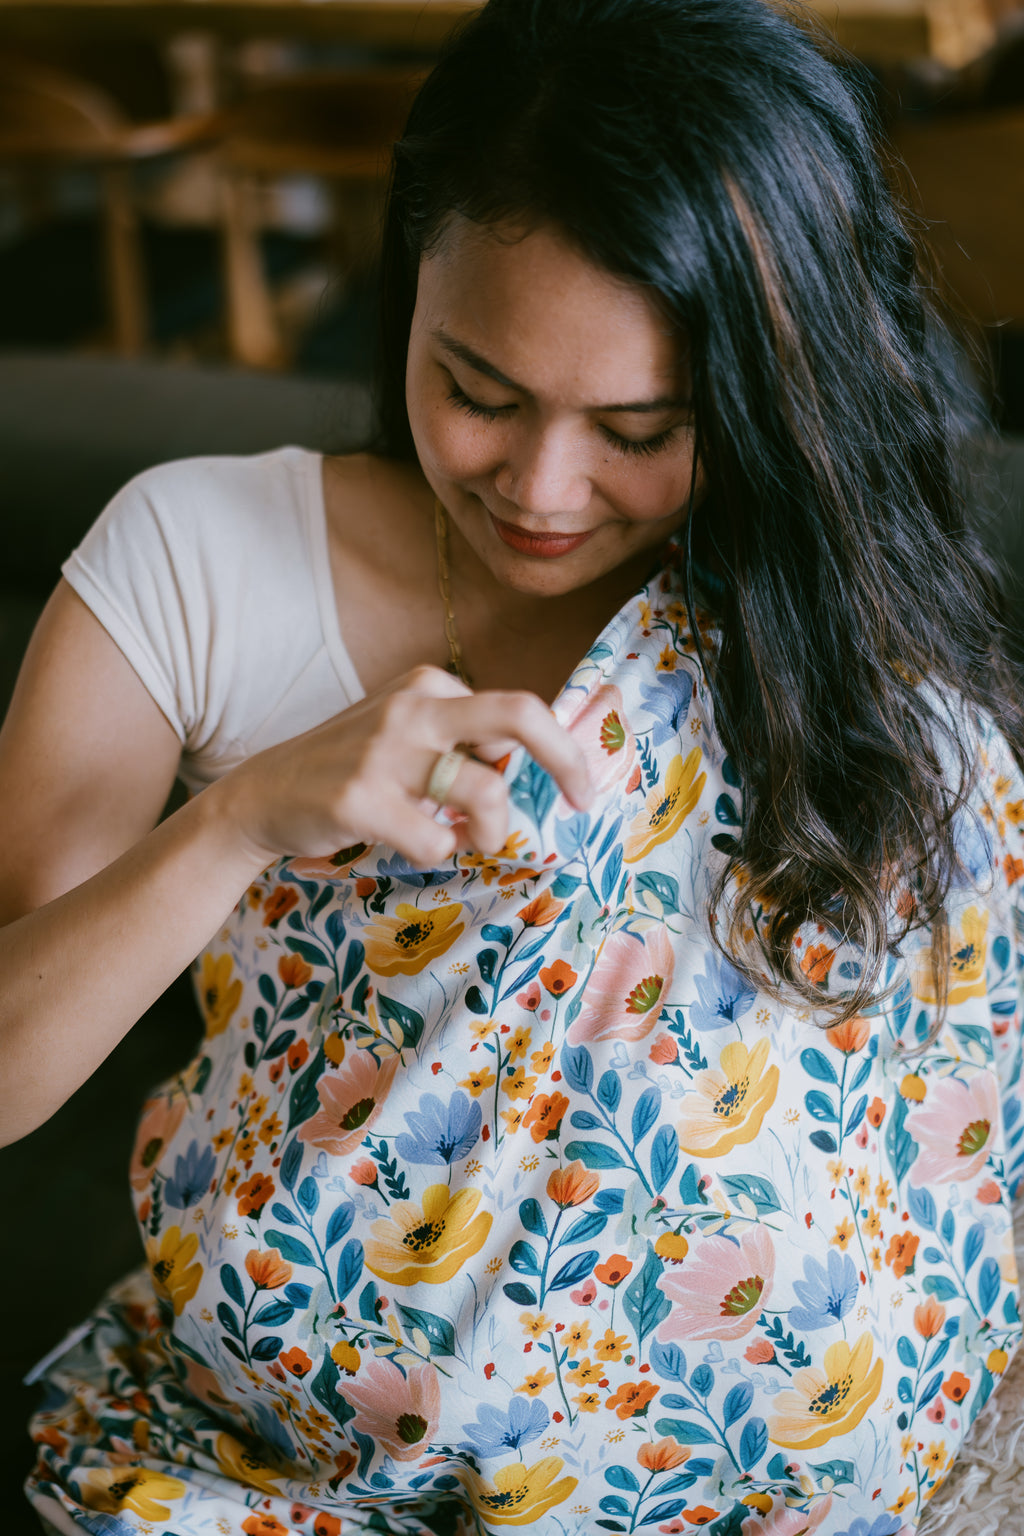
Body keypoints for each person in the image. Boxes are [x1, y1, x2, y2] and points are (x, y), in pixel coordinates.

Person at [6, 0, 1024, 1531]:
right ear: (405, 270)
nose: (544, 490)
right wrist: (236, 823)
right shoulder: (198, 557)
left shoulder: (827, 614)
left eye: (641, 427)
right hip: (290, 1458)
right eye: (477, 392)